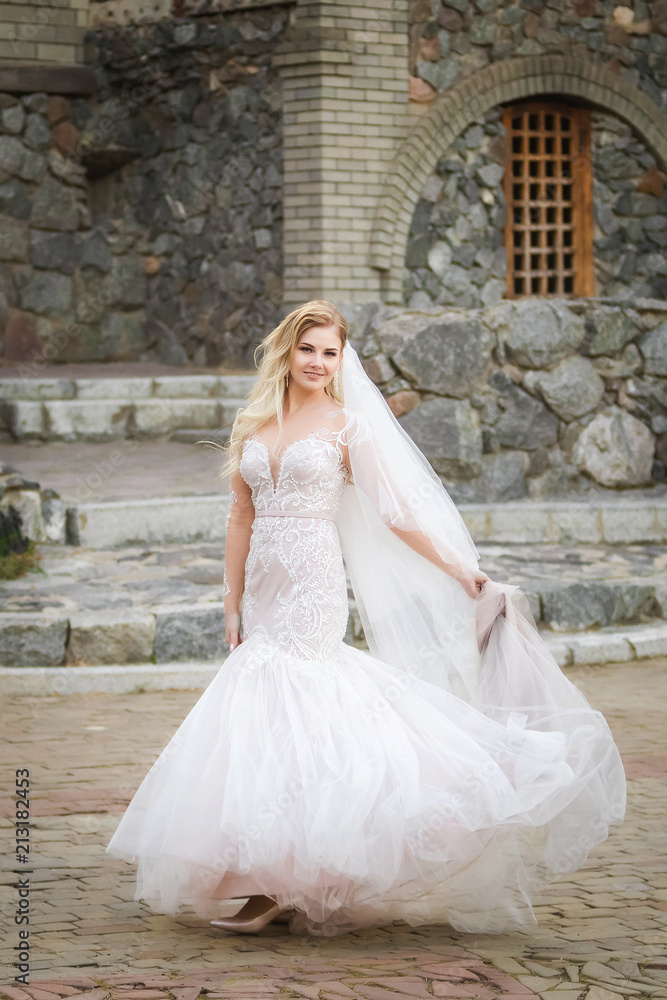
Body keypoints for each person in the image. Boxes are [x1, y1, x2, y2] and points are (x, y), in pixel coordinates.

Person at [106, 300, 626, 938]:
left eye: (330, 352)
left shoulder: (348, 427)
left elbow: (396, 511)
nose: (319, 363)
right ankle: (274, 875)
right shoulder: (253, 423)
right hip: (265, 582)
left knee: (302, 693)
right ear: (286, 352)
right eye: (308, 350)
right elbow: (239, 516)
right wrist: (230, 597)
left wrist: (460, 568)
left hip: (315, 580)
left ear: (340, 359)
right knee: (266, 706)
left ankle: (290, 877)